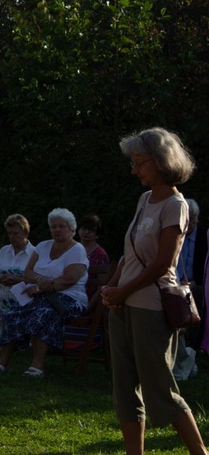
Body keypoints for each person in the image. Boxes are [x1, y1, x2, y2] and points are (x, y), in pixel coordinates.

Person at [102, 128, 207, 454]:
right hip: (122, 306)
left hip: (151, 307)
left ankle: (200, 452)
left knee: (160, 388)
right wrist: (114, 287)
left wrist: (125, 291)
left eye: (139, 163)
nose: (134, 170)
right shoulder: (144, 199)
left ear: (161, 162)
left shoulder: (176, 206)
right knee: (124, 390)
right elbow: (131, 252)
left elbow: (163, 264)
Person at [0, 208, 88, 377]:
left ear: (72, 229)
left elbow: (69, 279)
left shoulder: (77, 249)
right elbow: (27, 273)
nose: (57, 229)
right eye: (53, 226)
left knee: (42, 315)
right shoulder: (43, 246)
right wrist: (41, 282)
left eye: (61, 226)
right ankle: (2, 362)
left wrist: (40, 284)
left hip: (68, 299)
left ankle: (37, 366)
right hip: (40, 295)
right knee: (13, 313)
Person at [0, 214, 36, 346]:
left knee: (22, 324)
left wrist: (17, 279)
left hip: (23, 297)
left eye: (15, 233)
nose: (12, 237)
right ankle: (2, 345)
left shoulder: (35, 253)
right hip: (2, 296)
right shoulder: (4, 251)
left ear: (25, 232)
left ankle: (24, 346)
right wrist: (1, 278)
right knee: (0, 323)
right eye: (9, 233)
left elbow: (38, 279)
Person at [173, 199, 204, 380]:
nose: (190, 222)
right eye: (187, 218)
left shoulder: (203, 236)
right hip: (174, 282)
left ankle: (192, 349)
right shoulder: (175, 233)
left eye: (193, 218)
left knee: (197, 294)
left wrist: (193, 282)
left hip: (195, 283)